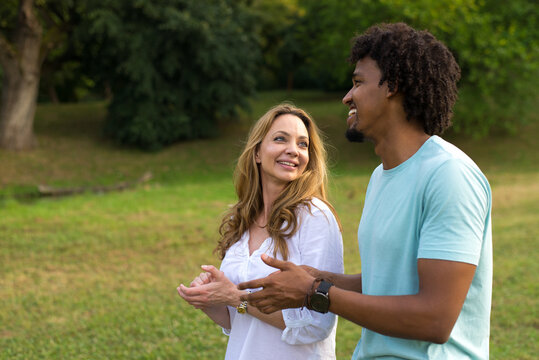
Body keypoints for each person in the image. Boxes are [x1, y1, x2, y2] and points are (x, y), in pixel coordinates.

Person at [238, 23, 493, 359]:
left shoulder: (449, 175)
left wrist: (316, 291)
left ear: (393, 86)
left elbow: (435, 319)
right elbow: (387, 285)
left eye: (358, 82)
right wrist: (319, 277)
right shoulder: (380, 177)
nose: (347, 96)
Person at [177, 104, 344, 359]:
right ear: (256, 153)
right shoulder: (241, 217)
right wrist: (211, 299)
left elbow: (317, 322)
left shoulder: (314, 216)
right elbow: (238, 320)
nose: (293, 150)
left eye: (302, 144)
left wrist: (236, 297)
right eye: (280, 139)